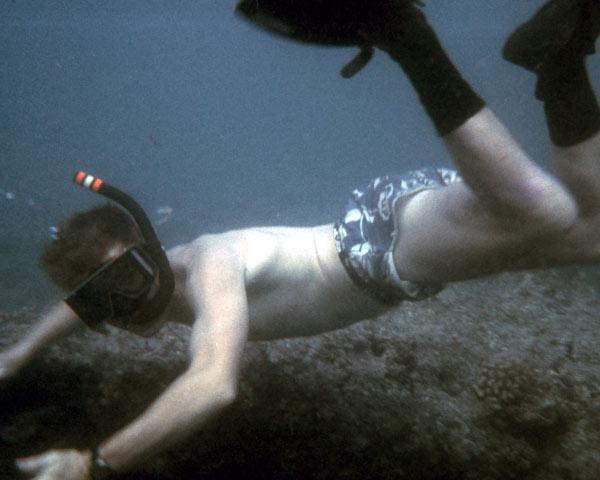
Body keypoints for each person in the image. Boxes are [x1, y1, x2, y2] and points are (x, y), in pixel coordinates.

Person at [3, 0, 599, 478]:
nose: (128, 310)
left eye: (128, 281)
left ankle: (402, 32)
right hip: (387, 241)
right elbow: (75, 302)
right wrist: (19, 354)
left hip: (378, 246)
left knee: (540, 214)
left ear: (150, 247)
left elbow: (212, 385)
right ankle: (560, 60)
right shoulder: (125, 285)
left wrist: (94, 464)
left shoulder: (212, 263)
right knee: (592, 232)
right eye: (108, 303)